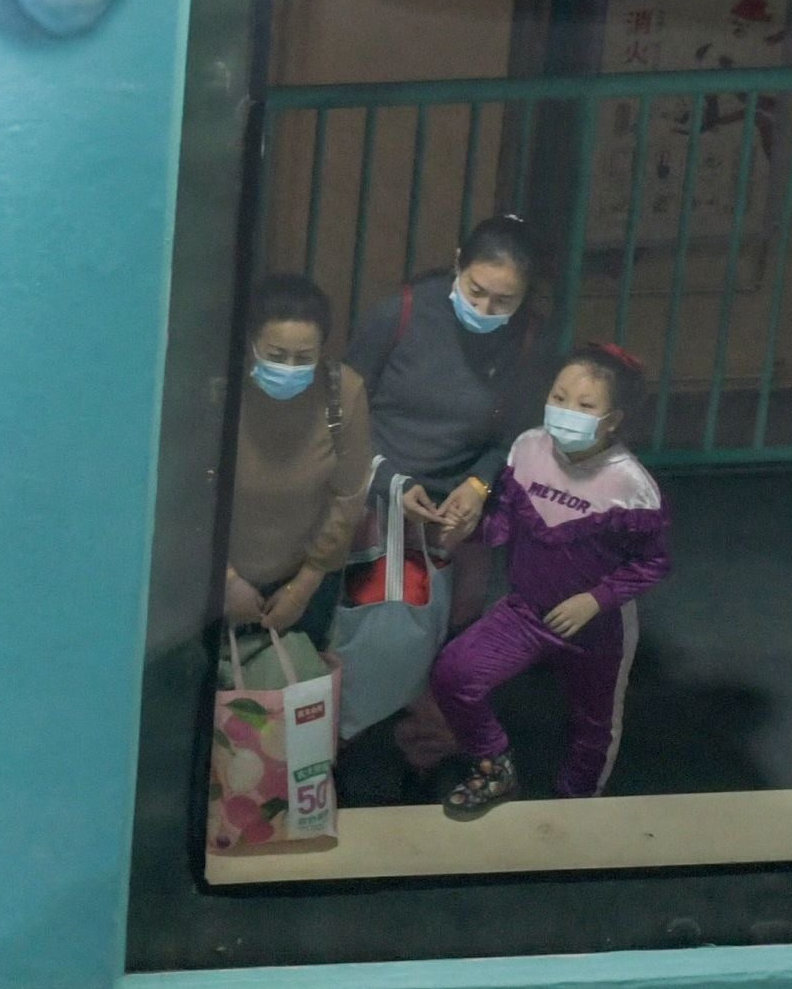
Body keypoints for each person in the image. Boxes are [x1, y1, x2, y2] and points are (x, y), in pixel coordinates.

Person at [341, 216, 560, 764]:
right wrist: (390, 480)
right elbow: (341, 411)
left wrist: (478, 485)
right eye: (476, 292)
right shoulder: (401, 314)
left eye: (502, 302)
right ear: (458, 262)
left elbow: (516, 434)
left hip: (462, 505)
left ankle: (427, 747)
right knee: (379, 625)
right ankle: (332, 742)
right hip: (381, 490)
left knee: (460, 636)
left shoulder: (529, 338)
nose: (485, 312)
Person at [432, 343, 670, 819]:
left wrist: (595, 600)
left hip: (596, 631)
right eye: (559, 397)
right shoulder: (527, 448)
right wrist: (468, 530)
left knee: (594, 724)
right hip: (526, 611)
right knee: (454, 674)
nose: (565, 413)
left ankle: (578, 801)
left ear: (613, 419)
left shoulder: (631, 485)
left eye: (585, 406)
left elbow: (652, 564)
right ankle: (494, 768)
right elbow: (503, 520)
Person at [218, 273, 408, 740]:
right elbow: (190, 499)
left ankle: (293, 794)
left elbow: (348, 495)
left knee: (297, 705)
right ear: (250, 345)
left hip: (307, 574)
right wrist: (224, 580)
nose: (289, 367)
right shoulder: (217, 390)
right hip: (218, 574)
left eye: (304, 358)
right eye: (276, 355)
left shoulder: (343, 393)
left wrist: (304, 585)